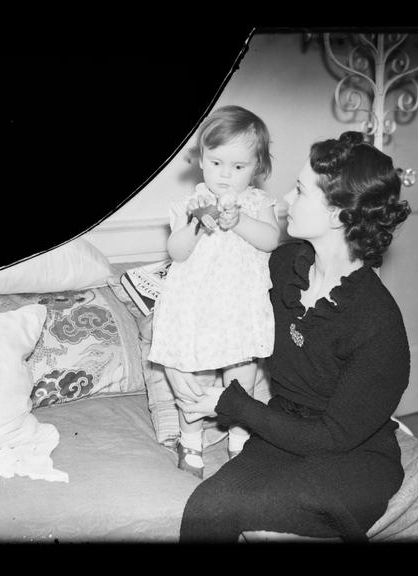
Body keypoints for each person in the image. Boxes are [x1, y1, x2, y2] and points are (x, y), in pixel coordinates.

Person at [173, 131, 412, 542]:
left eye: (300, 190)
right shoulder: (284, 266)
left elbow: (332, 438)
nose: (284, 198)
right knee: (205, 510)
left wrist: (231, 404)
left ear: (338, 214)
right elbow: (216, 298)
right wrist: (176, 353)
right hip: (282, 430)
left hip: (350, 456)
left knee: (282, 508)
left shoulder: (378, 321)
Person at [148, 105, 280, 478]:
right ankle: (190, 439)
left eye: (239, 167)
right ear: (201, 161)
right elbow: (177, 251)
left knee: (242, 379)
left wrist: (239, 221)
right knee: (194, 377)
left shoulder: (258, 203)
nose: (226, 174)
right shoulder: (190, 204)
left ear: (258, 168)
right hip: (196, 310)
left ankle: (240, 439)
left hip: (240, 309)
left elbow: (270, 241)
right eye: (217, 162)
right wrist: (196, 224)